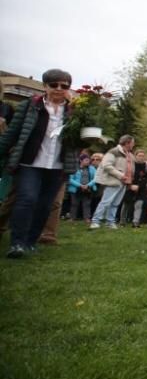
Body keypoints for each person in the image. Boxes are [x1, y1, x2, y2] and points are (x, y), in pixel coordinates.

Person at [0, 69, 79, 258]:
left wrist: (81, 113)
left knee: (45, 205)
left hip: (57, 166)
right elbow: (12, 134)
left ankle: (30, 242)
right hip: (30, 163)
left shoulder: (74, 112)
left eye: (64, 85)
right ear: (45, 86)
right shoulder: (30, 106)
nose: (59, 89)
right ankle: (17, 243)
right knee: (27, 200)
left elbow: (81, 139)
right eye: (54, 85)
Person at [90, 135, 135, 229]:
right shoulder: (113, 152)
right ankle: (95, 221)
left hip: (124, 182)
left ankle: (110, 222)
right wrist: (120, 175)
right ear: (127, 143)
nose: (133, 145)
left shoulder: (130, 155)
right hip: (113, 181)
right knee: (106, 201)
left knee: (116, 203)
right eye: (132, 143)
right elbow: (106, 165)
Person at [122, 149, 147, 227]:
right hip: (129, 186)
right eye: (139, 155)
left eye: (142, 156)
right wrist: (130, 185)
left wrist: (139, 186)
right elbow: (127, 175)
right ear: (135, 156)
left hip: (141, 189)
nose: (141, 157)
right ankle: (122, 221)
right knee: (126, 205)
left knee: (139, 204)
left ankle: (135, 222)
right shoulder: (131, 165)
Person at [67, 153, 97, 221]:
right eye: (86, 160)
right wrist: (80, 185)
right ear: (81, 160)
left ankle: (87, 218)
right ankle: (72, 217)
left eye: (88, 160)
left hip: (88, 188)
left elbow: (96, 178)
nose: (88, 161)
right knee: (74, 203)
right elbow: (70, 179)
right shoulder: (75, 168)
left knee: (87, 204)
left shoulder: (92, 168)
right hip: (76, 188)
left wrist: (88, 185)